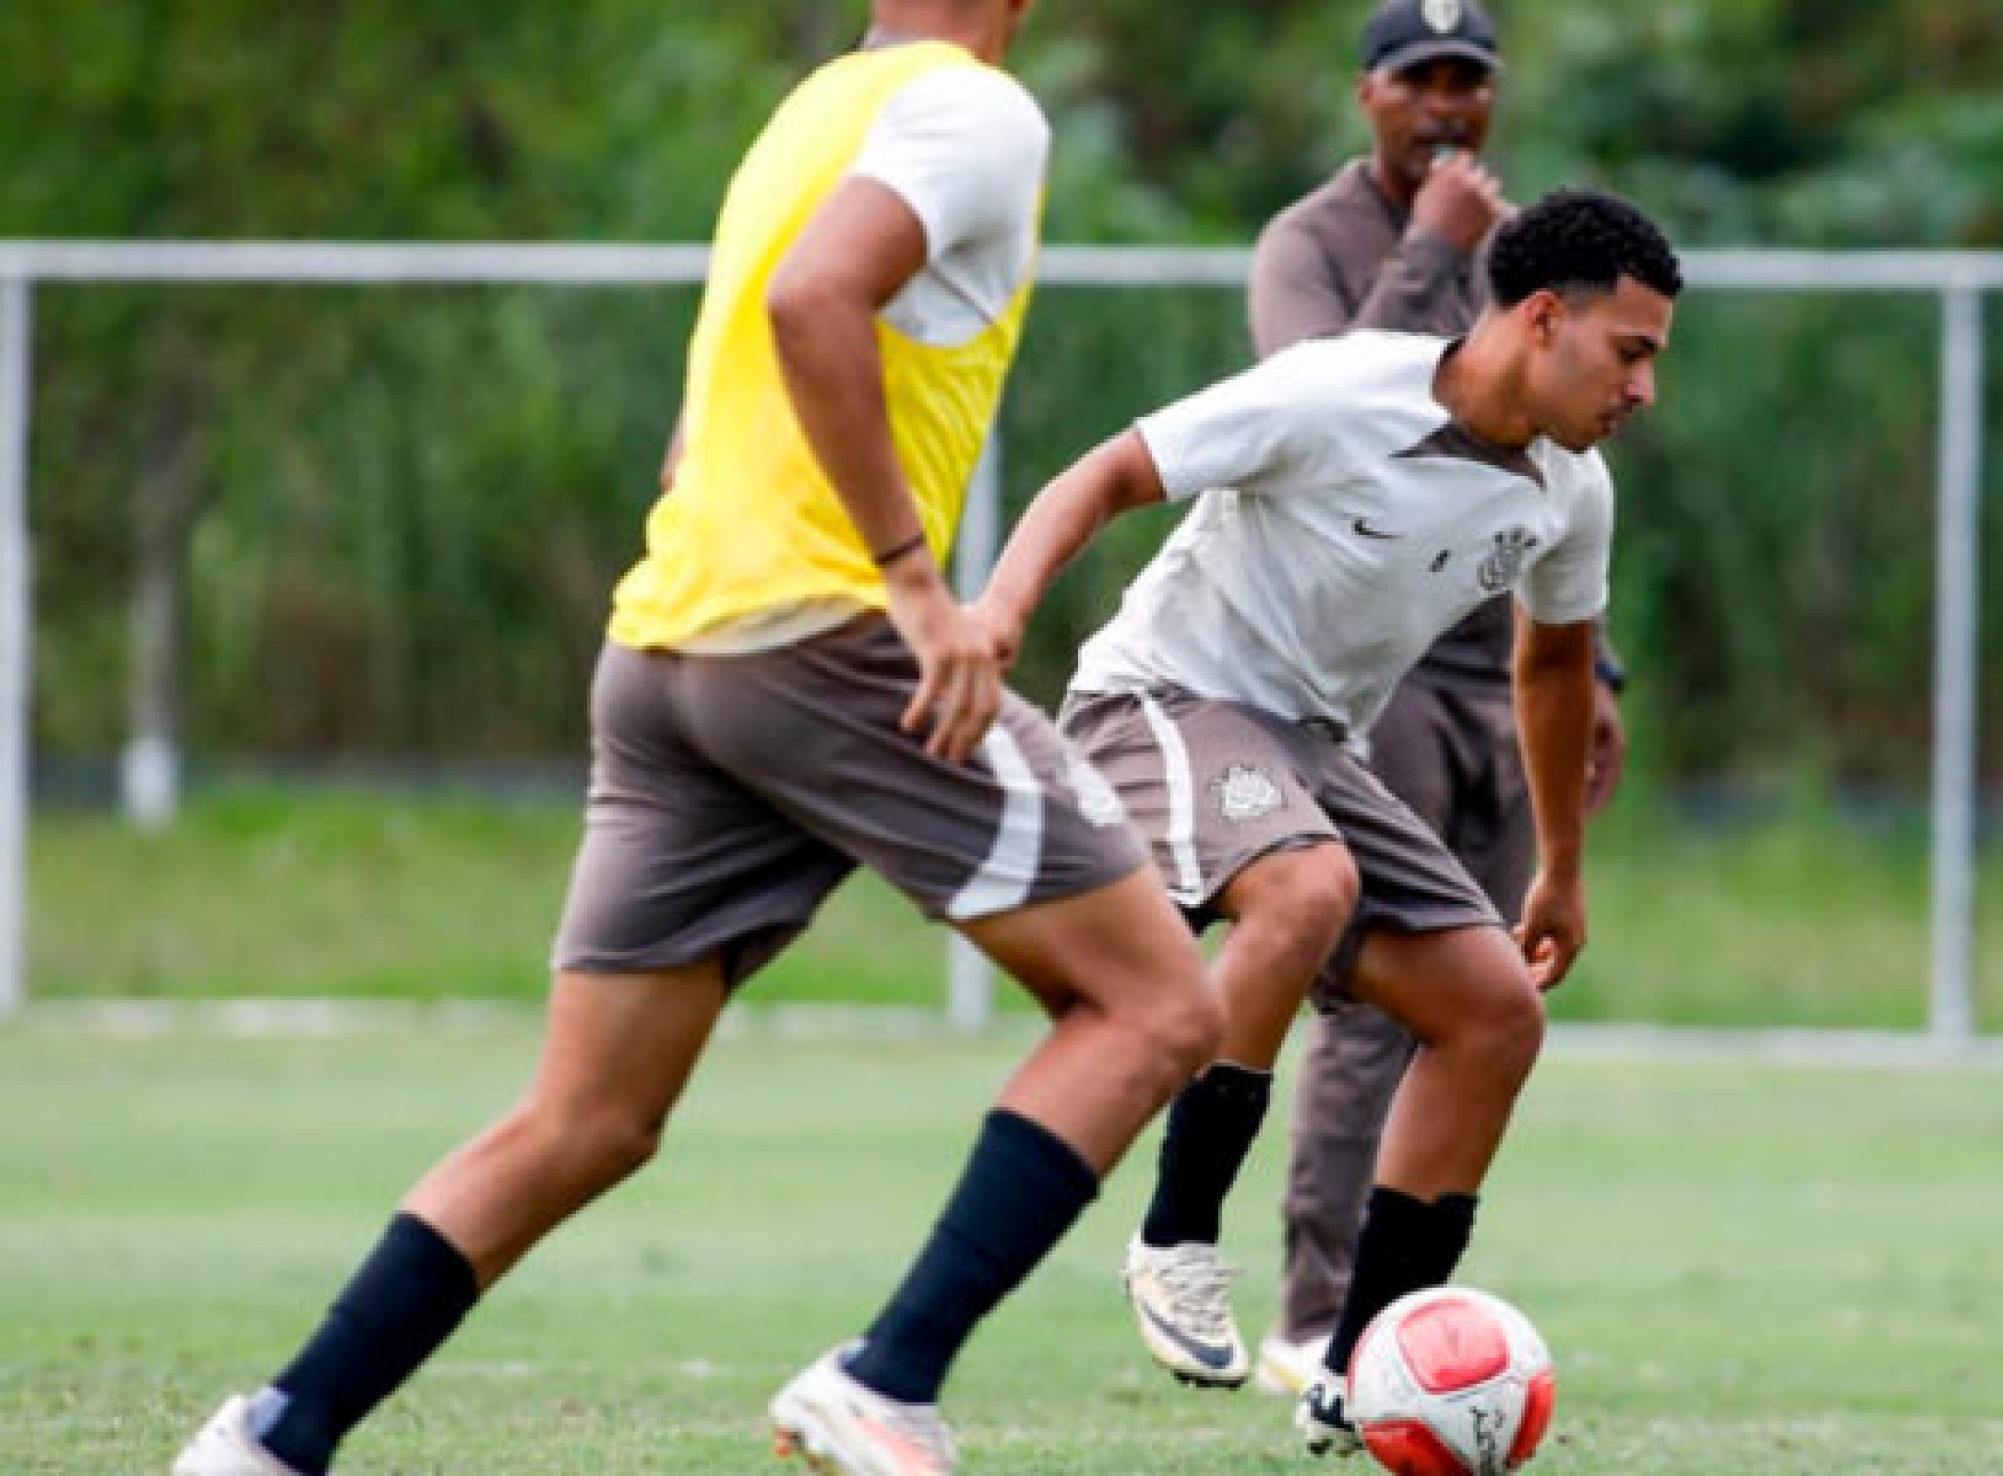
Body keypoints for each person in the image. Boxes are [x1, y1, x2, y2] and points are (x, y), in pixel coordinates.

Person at [171, 5, 1222, 1475]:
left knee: (588, 1116)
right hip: (826, 642)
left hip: (667, 647)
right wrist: (918, 590)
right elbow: (812, 305)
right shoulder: (980, 113)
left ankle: (272, 1437)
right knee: (1157, 1009)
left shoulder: (812, 111)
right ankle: (887, 1380)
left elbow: (703, 422)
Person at [968, 189, 1682, 1452]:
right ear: (1539, 319)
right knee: (1305, 889)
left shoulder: (1570, 493)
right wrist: (1001, 611)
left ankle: (1361, 1369)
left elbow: (1555, 668)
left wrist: (1561, 871)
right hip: (1158, 700)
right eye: (1629, 352)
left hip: (1313, 749)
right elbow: (1106, 474)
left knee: (1489, 1014)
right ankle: (1177, 1233)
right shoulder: (1334, 391)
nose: (1642, 389)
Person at [1244, 0, 1630, 1396]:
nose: (1450, 104)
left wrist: (1596, 678)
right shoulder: (1316, 244)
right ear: (1369, 96)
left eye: (1473, 79)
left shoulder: (1526, 259)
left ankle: (1400, 1327)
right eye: (1422, 80)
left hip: (1500, 677)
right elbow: (1317, 407)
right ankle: (1312, 1314)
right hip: (1370, 680)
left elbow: (1551, 470)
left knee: (1485, 996)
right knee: (1375, 999)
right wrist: (1431, 252)